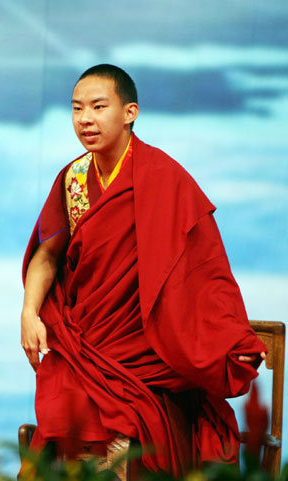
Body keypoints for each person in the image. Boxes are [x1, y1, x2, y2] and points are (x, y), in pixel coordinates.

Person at [20, 64, 266, 478]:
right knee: (66, 397)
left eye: (99, 106)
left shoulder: (166, 179)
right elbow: (47, 255)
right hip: (88, 346)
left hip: (146, 350)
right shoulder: (74, 180)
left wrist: (227, 336)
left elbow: (205, 272)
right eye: (77, 108)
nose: (85, 119)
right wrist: (28, 313)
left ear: (130, 112)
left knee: (141, 417)